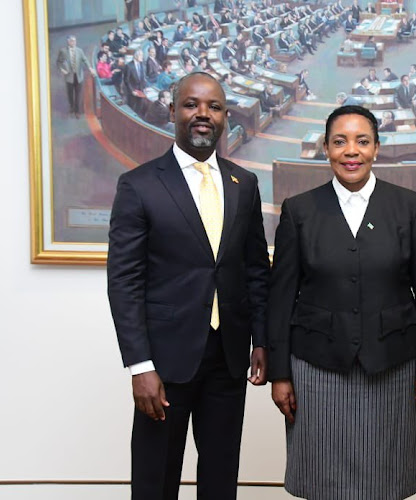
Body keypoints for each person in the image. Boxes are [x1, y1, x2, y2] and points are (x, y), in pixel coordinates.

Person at [267, 105, 416, 499]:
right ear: (326, 149)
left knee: (386, 479)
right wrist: (280, 374)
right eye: (340, 141)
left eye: (362, 141)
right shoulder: (299, 210)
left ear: (376, 149)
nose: (352, 151)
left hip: (394, 366)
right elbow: (280, 299)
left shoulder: (410, 207)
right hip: (317, 367)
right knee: (322, 479)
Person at [107, 72, 270, 500]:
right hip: (164, 364)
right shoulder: (139, 185)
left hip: (228, 358)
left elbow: (256, 268)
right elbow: (124, 281)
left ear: (225, 116)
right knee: (155, 481)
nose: (203, 114)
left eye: (214, 107)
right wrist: (139, 366)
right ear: (173, 111)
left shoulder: (243, 184)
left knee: (219, 480)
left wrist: (262, 340)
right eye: (192, 104)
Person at [55, 35, 95, 118]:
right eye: (72, 41)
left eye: (75, 41)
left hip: (78, 76)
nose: (74, 42)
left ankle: (77, 111)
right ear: (68, 42)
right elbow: (59, 62)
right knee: (70, 94)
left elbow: (85, 59)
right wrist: (62, 69)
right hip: (69, 76)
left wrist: (90, 67)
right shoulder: (63, 51)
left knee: (78, 94)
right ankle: (71, 107)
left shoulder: (79, 51)